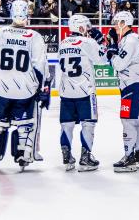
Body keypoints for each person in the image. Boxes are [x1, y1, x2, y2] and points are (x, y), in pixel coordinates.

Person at [0, 0, 49, 170]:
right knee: (25, 124)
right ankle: (23, 153)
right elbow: (40, 65)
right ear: (27, 15)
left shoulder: (0, 33)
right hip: (25, 89)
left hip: (1, 88)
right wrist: (43, 87)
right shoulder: (34, 36)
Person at [58, 14, 106, 171]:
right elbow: (102, 59)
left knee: (66, 125)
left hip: (66, 91)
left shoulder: (63, 43)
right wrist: (101, 43)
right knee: (88, 123)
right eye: (86, 27)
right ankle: (85, 158)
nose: (88, 30)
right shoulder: (88, 42)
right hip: (85, 91)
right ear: (80, 27)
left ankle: (67, 156)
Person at [108, 11, 139, 172]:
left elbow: (118, 64)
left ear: (123, 23)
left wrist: (111, 50)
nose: (114, 26)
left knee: (127, 120)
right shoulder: (132, 38)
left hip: (131, 83)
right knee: (137, 120)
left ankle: (129, 157)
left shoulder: (130, 40)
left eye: (116, 22)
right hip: (137, 82)